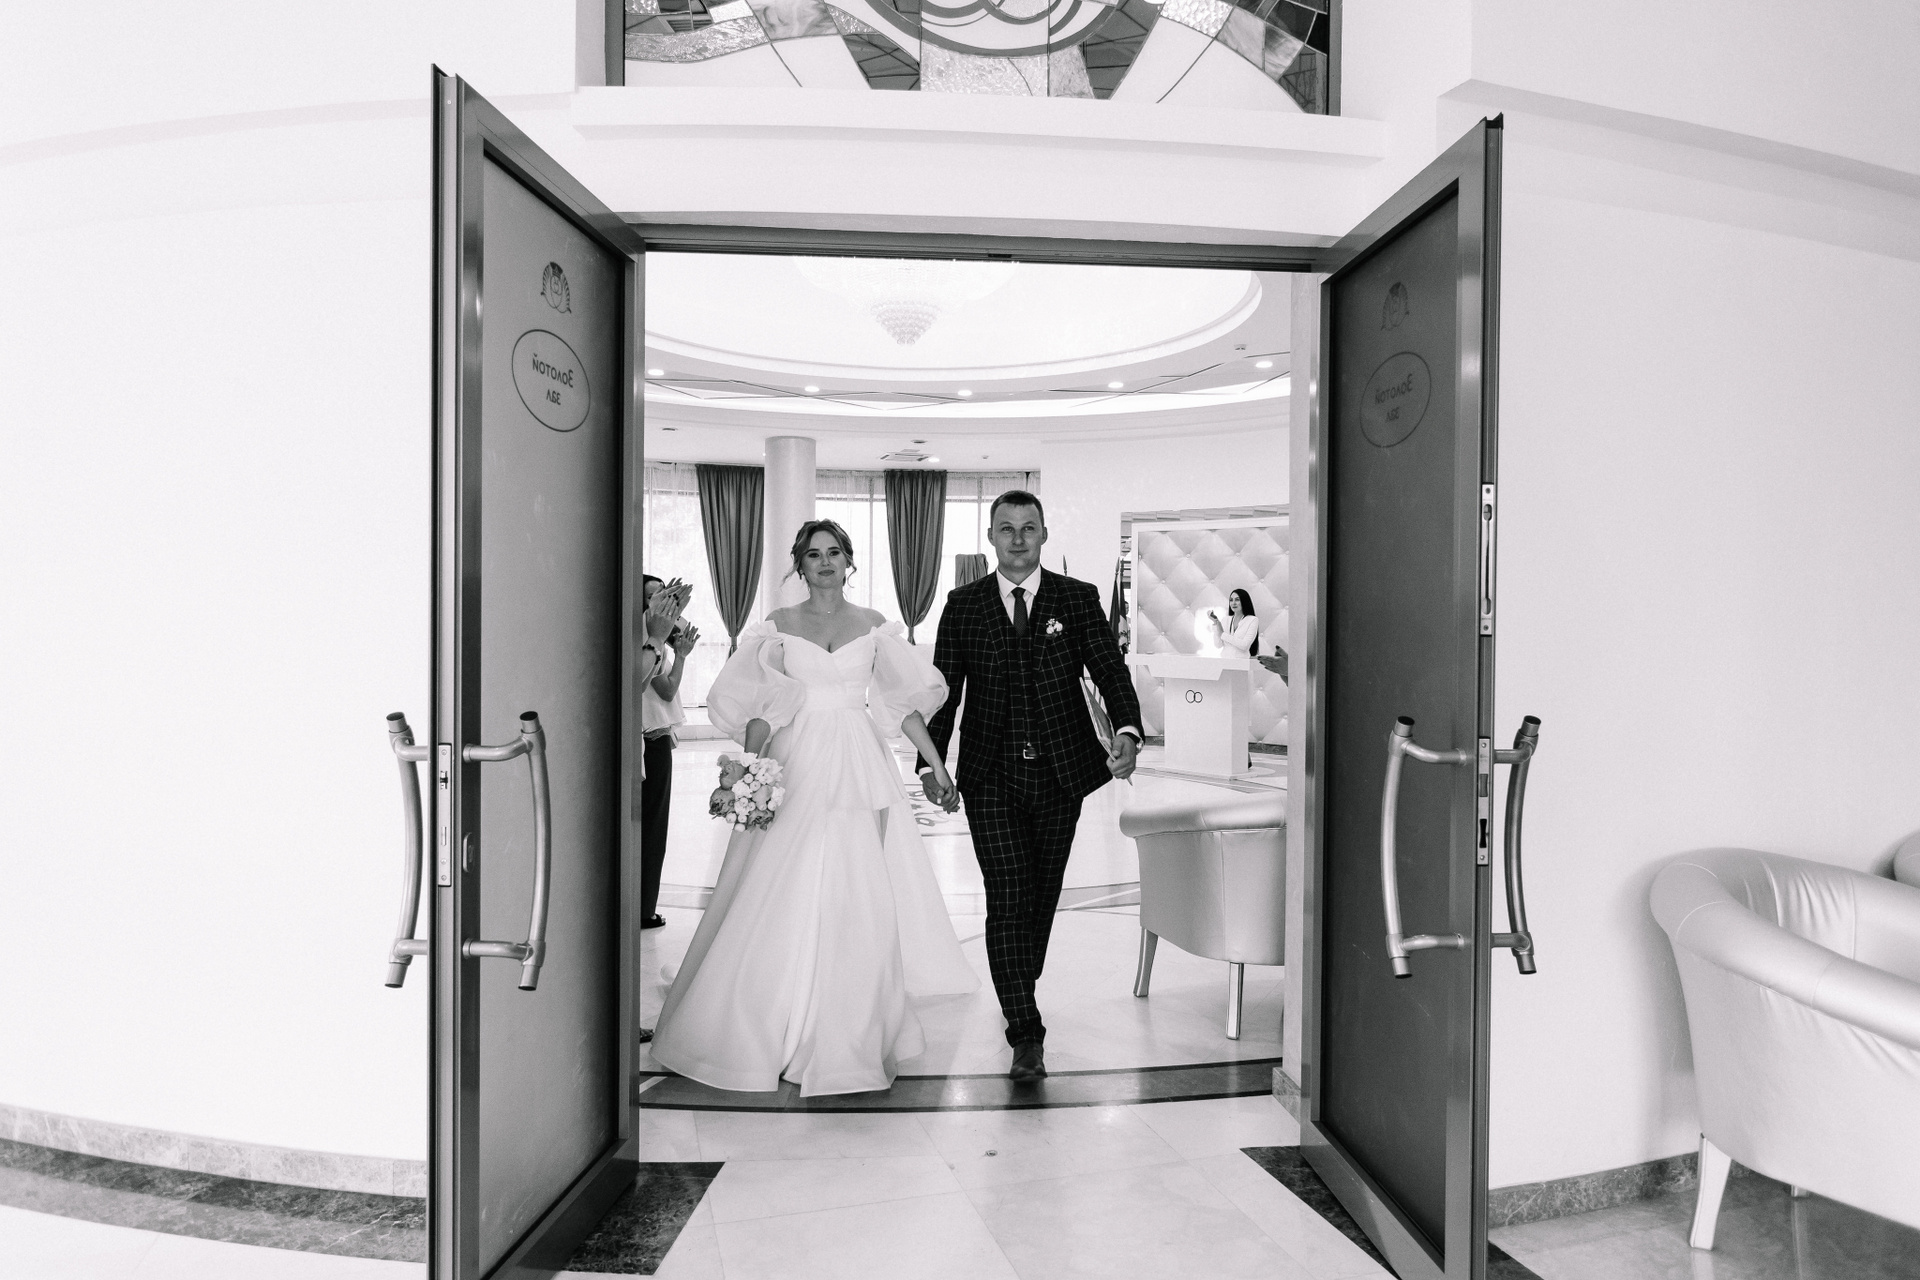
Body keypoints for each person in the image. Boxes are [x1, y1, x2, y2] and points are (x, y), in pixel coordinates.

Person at [648, 520, 977, 1096]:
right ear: (799, 565)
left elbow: (900, 706)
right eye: (814, 554)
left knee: (857, 887)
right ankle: (766, 1021)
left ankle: (850, 1028)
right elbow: (761, 708)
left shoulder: (874, 626)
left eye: (834, 552)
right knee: (780, 881)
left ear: (849, 561)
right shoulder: (776, 627)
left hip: (858, 762)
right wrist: (750, 771)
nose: (825, 562)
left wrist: (936, 765)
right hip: (795, 760)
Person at [916, 490, 1144, 1082]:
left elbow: (1109, 669)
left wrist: (1127, 727)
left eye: (1028, 528)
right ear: (991, 536)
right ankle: (1025, 1031)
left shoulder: (1077, 597)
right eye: (1006, 528)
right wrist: (930, 764)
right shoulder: (963, 605)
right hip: (989, 775)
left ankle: (1016, 977)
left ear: (1043, 535)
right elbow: (943, 692)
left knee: (1040, 898)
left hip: (1061, 773)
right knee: (1008, 895)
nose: (1017, 539)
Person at [638, 575, 700, 931]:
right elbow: (651, 686)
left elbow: (667, 688)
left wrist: (681, 654)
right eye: (654, 596)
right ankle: (643, 909)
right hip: (649, 741)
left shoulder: (651, 639)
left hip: (654, 738)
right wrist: (660, 640)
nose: (663, 601)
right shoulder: (646, 639)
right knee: (651, 829)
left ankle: (643, 905)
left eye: (666, 595)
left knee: (649, 828)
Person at [1206, 589, 1261, 658]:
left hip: (1241, 662)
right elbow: (1218, 645)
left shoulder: (1252, 620)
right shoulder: (1225, 619)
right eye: (1231, 600)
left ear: (1244, 601)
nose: (1233, 603)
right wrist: (1216, 623)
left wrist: (1222, 634)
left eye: (1237, 600)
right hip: (1224, 661)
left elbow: (1245, 645)